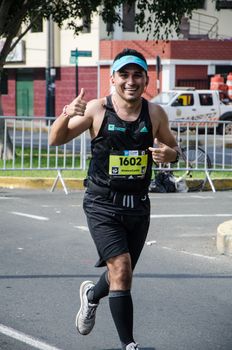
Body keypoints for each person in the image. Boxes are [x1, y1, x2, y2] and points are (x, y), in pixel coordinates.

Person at [49, 48, 180, 350]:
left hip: (138, 206)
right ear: (113, 78)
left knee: (122, 272)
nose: (131, 81)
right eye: (124, 74)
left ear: (147, 79)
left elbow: (175, 150)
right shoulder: (97, 109)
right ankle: (129, 345)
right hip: (102, 203)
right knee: (121, 268)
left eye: (137, 75)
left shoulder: (155, 113)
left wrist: (169, 154)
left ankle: (91, 296)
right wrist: (68, 113)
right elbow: (56, 138)